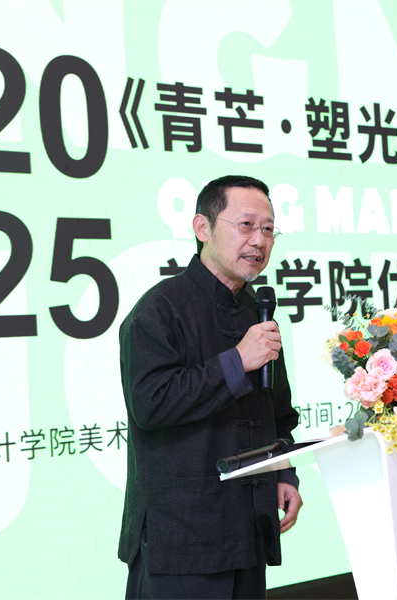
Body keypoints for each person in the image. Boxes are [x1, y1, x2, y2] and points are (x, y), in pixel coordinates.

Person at [118, 175, 302, 600]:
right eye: (246, 225)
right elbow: (151, 403)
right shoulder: (158, 310)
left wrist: (283, 472)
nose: (259, 240)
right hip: (181, 540)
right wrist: (237, 361)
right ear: (203, 227)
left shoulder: (258, 311)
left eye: (269, 229)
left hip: (248, 529)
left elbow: (277, 412)